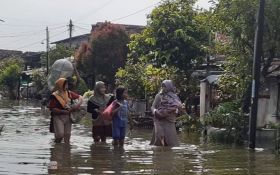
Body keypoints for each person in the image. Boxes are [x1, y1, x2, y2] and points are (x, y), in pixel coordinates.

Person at [48, 78, 83, 144]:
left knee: (67, 136)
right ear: (60, 85)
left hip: (68, 117)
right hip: (58, 117)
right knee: (60, 135)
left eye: (67, 84)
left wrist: (77, 105)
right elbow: (52, 109)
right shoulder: (54, 96)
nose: (67, 86)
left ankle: (66, 152)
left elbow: (80, 97)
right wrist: (63, 111)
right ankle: (56, 147)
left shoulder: (69, 93)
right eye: (65, 84)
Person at [150, 80, 183, 147]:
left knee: (171, 140)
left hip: (170, 121)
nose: (163, 88)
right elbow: (153, 106)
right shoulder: (158, 96)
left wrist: (174, 111)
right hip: (159, 120)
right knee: (159, 137)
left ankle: (168, 154)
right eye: (162, 86)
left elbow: (179, 108)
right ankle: (159, 154)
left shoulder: (175, 97)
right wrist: (156, 112)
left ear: (169, 87)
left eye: (164, 86)